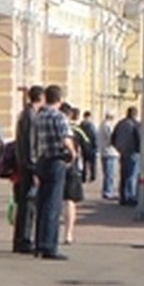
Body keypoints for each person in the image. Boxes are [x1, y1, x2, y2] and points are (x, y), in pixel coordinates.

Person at [33, 85, 74, 260]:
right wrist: (73, 154)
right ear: (60, 99)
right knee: (53, 204)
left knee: (42, 203)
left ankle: (39, 244)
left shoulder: (39, 116)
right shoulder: (59, 117)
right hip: (56, 161)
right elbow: (66, 139)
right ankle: (50, 246)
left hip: (42, 161)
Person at [12, 85, 45, 254]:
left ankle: (20, 239)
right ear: (41, 98)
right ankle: (24, 240)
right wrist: (34, 168)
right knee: (28, 204)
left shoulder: (24, 114)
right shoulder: (31, 117)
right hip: (28, 166)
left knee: (25, 204)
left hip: (22, 164)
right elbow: (31, 144)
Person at [62, 105, 87, 245]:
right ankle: (68, 234)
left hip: (52, 166)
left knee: (51, 202)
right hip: (72, 169)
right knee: (69, 201)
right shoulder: (78, 131)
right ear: (71, 115)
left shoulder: (52, 125)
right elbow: (88, 149)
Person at [113, 105, 142, 206]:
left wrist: (118, 148)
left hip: (123, 152)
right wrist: (141, 150)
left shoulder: (120, 123)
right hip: (133, 152)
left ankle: (123, 197)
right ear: (135, 114)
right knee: (132, 176)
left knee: (123, 175)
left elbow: (113, 137)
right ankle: (131, 197)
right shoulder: (136, 124)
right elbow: (139, 138)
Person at [98, 112, 119, 200]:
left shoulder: (102, 124)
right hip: (110, 152)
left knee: (107, 173)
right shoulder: (108, 125)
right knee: (111, 174)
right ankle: (109, 192)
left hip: (104, 152)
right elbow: (111, 138)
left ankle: (107, 190)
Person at [79, 110, 98, 183]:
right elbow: (94, 136)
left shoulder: (81, 125)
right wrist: (96, 147)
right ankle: (92, 176)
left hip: (83, 146)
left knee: (84, 162)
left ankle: (83, 177)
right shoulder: (91, 125)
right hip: (91, 147)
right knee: (92, 163)